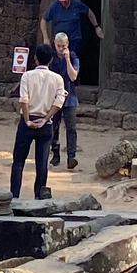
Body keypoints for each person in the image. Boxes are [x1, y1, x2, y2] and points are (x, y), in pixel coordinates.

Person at [12, 47, 66, 202]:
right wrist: (46, 118)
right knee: (42, 163)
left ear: (35, 58)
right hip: (45, 122)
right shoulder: (57, 78)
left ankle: (14, 196)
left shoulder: (27, 76)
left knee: (19, 161)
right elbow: (59, 101)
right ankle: (39, 197)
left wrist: (28, 119)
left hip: (27, 121)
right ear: (51, 60)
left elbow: (24, 99)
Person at [48, 29, 80, 172]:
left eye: (63, 46)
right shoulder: (51, 58)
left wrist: (67, 59)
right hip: (55, 98)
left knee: (71, 128)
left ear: (67, 44)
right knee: (54, 126)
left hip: (70, 98)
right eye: (58, 46)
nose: (61, 49)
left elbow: (73, 76)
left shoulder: (73, 57)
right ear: (54, 44)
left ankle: (71, 156)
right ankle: (55, 153)